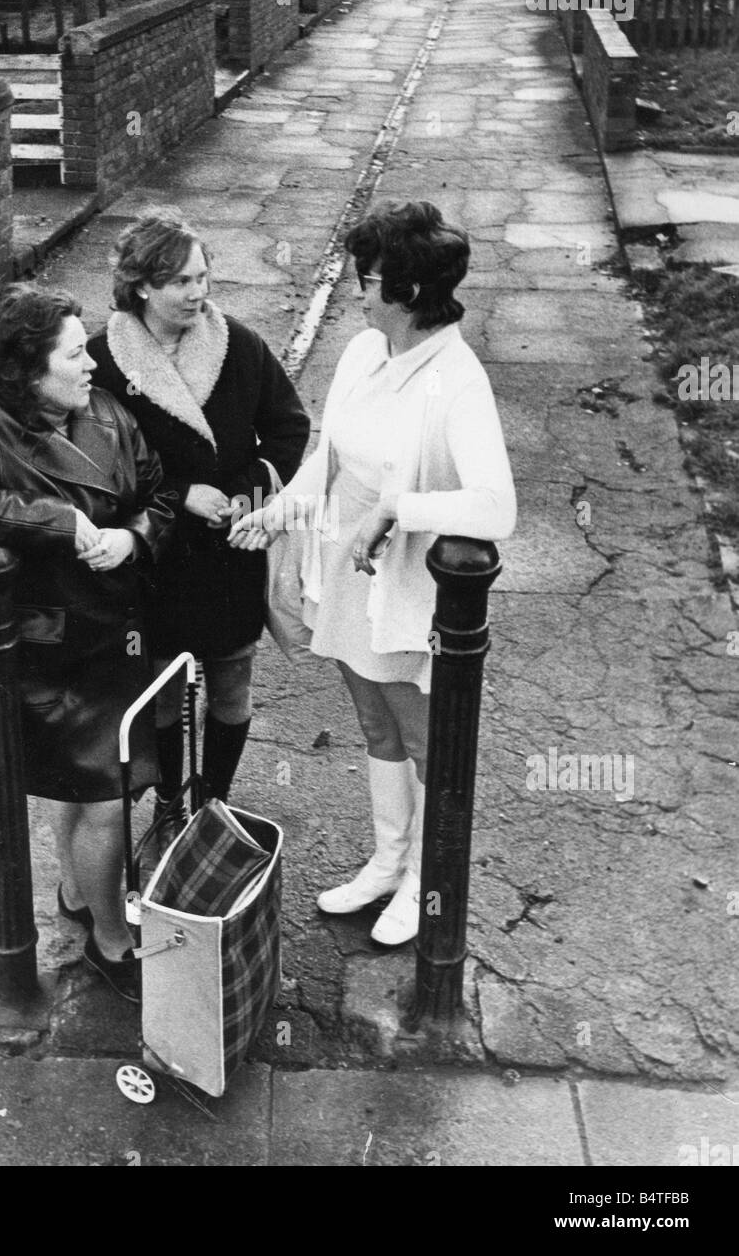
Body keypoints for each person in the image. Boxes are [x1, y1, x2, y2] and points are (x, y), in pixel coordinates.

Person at [230, 200, 517, 945]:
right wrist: (280, 511)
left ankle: (424, 879)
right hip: (346, 571)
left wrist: (396, 506)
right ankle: (387, 861)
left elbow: (496, 506)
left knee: (423, 738)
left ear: (408, 293)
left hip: (407, 584)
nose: (357, 289)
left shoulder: (456, 380)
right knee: (371, 722)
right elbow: (326, 457)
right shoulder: (364, 350)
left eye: (368, 278)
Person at [0, 285, 177, 1001]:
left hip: (115, 635)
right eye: (74, 354)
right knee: (104, 797)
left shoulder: (102, 411)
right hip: (51, 649)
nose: (90, 365)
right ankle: (109, 938)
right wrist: (62, 522)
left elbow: (157, 494)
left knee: (86, 789)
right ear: (29, 368)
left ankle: (79, 894)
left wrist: (133, 538)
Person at [87, 207, 310, 848]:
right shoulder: (105, 360)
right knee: (160, 686)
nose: (197, 293)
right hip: (155, 555)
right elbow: (100, 466)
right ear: (141, 287)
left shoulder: (238, 346)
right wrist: (182, 494)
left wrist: (244, 491)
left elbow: (290, 427)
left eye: (202, 277)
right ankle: (167, 802)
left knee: (231, 681)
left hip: (229, 551)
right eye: (180, 282)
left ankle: (215, 804)